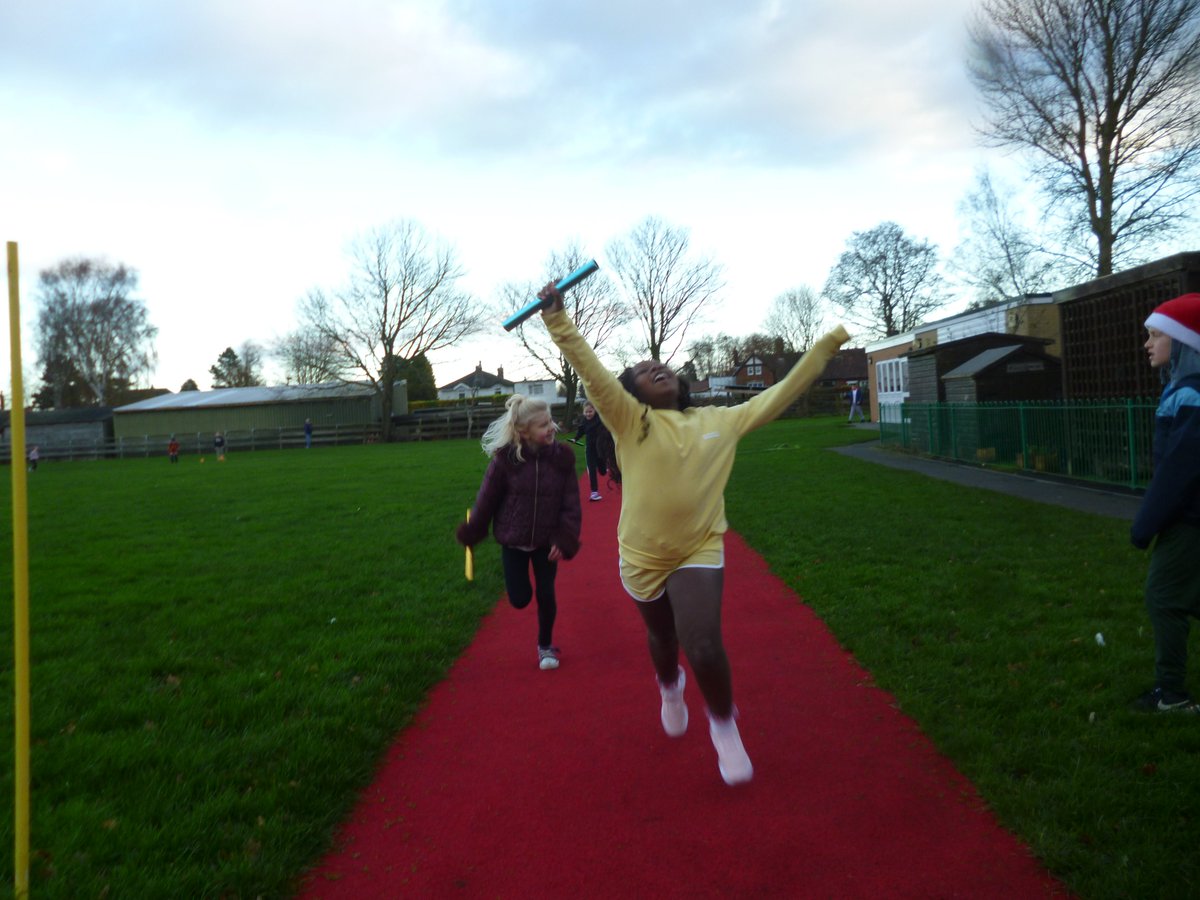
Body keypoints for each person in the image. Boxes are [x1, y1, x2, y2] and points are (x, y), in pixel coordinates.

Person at [538, 281, 850, 784]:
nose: (652, 369)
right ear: (632, 393)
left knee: (702, 641)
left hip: (698, 546)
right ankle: (669, 685)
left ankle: (724, 725)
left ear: (680, 382)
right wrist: (558, 320)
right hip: (641, 554)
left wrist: (828, 343)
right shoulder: (630, 421)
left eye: (658, 366)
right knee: (662, 638)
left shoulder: (720, 421)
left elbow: (781, 393)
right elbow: (595, 378)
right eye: (640, 372)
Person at [456, 394, 582, 671]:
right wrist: (473, 529)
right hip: (512, 541)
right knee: (520, 598)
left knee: (546, 594)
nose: (550, 428)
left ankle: (545, 646)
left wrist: (564, 538)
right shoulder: (505, 461)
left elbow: (571, 505)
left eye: (550, 421)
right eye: (542, 425)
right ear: (523, 431)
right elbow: (486, 499)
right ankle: (523, 598)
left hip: (546, 542)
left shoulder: (562, 460)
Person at [1130, 292, 1200, 713]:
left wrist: (1145, 526)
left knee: (1164, 596)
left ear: (1186, 341)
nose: (1147, 343)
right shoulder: (1182, 390)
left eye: (1156, 335)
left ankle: (1171, 694)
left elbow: (1179, 471)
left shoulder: (1191, 395)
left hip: (1189, 518)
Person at [574, 400, 610, 501]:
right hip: (590, 449)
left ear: (594, 411)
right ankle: (594, 492)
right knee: (591, 469)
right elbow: (581, 431)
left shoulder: (599, 419)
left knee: (602, 471)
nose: (588, 414)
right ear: (583, 412)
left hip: (600, 448)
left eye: (590, 411)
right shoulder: (584, 421)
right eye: (586, 412)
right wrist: (576, 438)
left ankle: (604, 466)